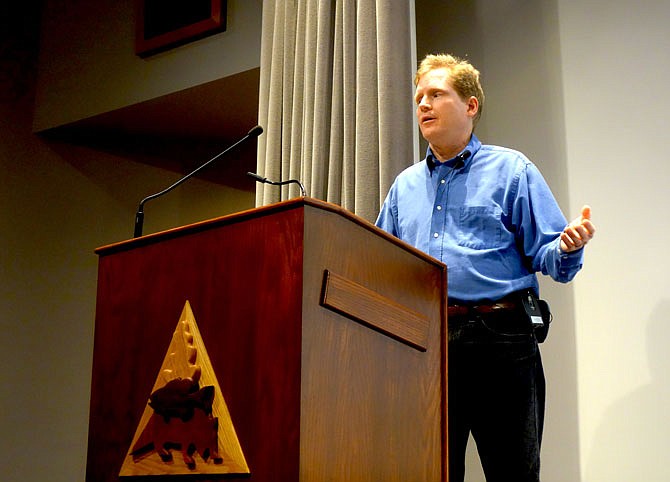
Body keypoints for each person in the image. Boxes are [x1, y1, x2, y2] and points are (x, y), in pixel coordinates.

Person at [375, 53, 595, 482]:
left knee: (513, 473)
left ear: (470, 106)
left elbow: (549, 255)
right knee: (429, 472)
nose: (423, 104)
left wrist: (567, 246)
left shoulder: (512, 169)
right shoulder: (404, 187)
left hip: (502, 341)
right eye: (419, 97)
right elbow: (379, 263)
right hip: (426, 346)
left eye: (436, 94)